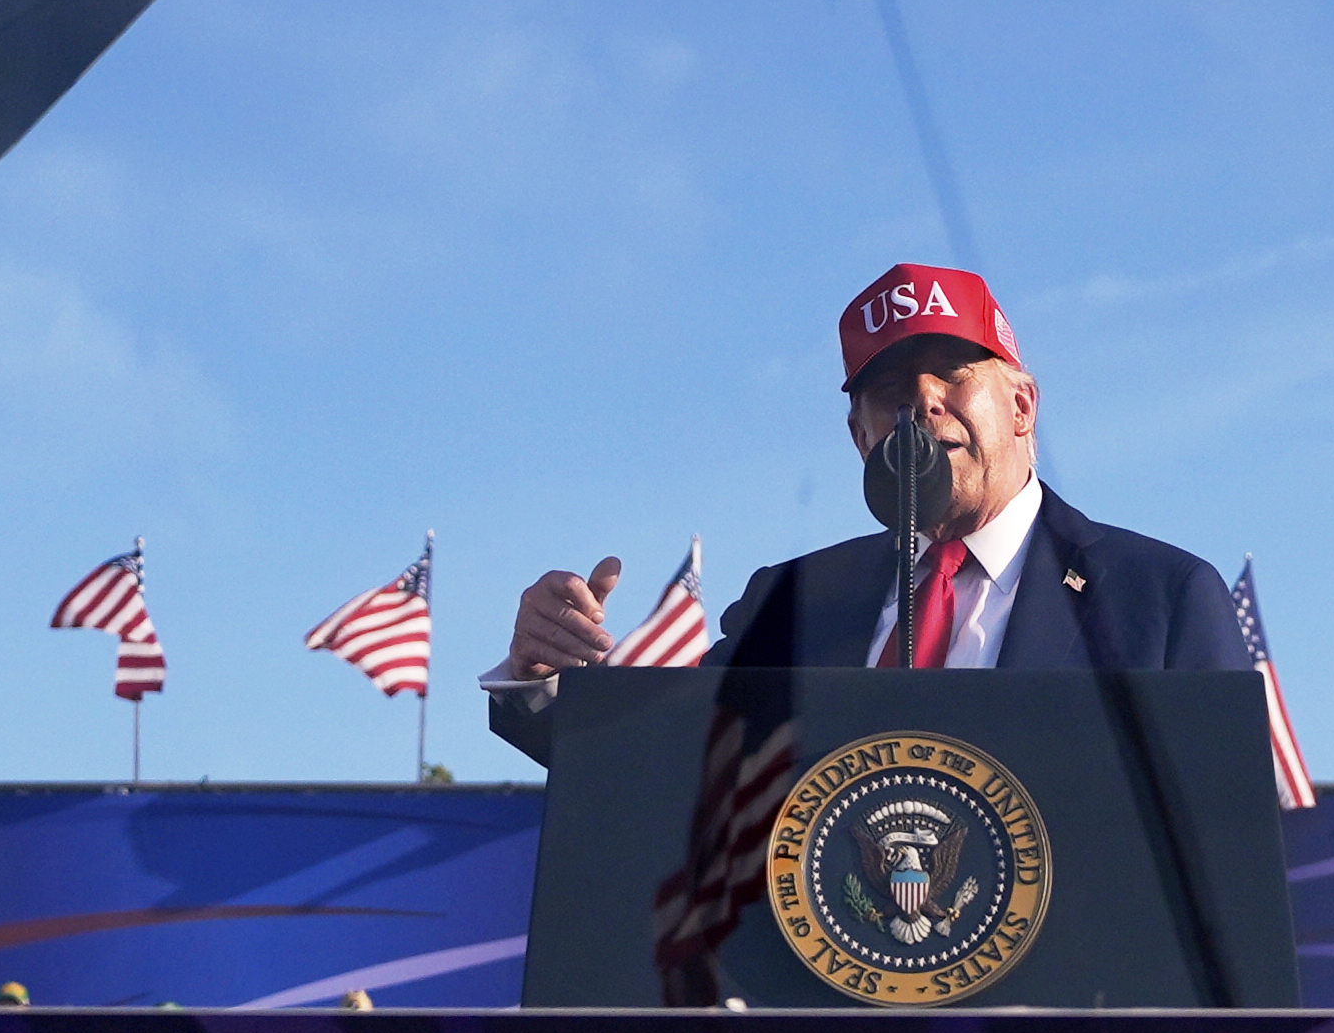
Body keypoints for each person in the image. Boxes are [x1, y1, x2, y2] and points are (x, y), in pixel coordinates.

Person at [485, 261, 1248, 766]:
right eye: (889, 391)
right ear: (860, 436)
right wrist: (545, 683)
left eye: (951, 373)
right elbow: (655, 770)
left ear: (1021, 406)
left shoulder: (1159, 597)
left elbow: (1225, 835)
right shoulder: (791, 604)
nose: (921, 399)